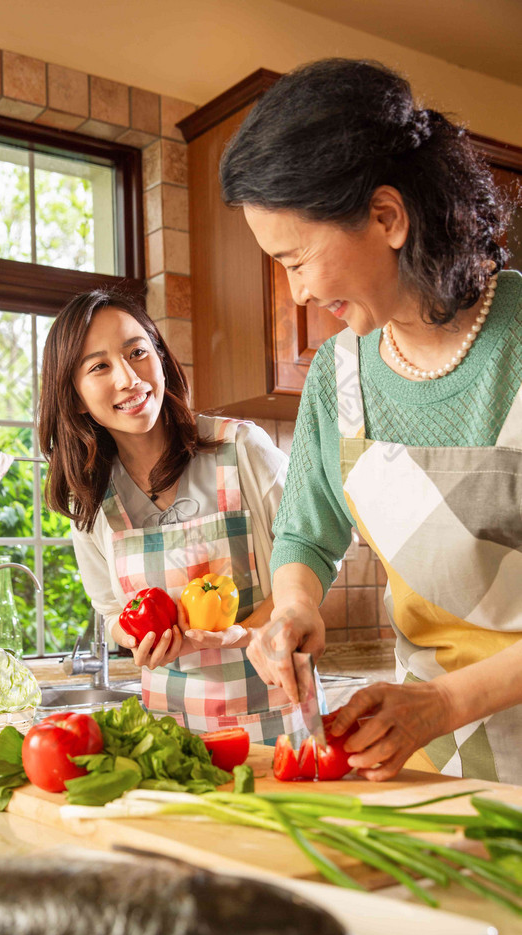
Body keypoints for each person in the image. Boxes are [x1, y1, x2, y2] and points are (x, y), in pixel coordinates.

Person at [219, 57, 522, 783]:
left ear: (386, 217)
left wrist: (444, 700)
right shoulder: (339, 373)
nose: (294, 294)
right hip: (439, 756)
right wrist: (293, 605)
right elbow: (305, 529)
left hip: (441, 714)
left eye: (295, 260)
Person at [38, 289, 297, 742]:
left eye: (137, 352)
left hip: (278, 719)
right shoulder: (93, 499)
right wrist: (141, 637)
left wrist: (250, 633)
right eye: (99, 366)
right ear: (76, 397)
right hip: (170, 739)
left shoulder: (240, 449)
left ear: (160, 357)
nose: (128, 378)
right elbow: (112, 612)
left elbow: (313, 556)